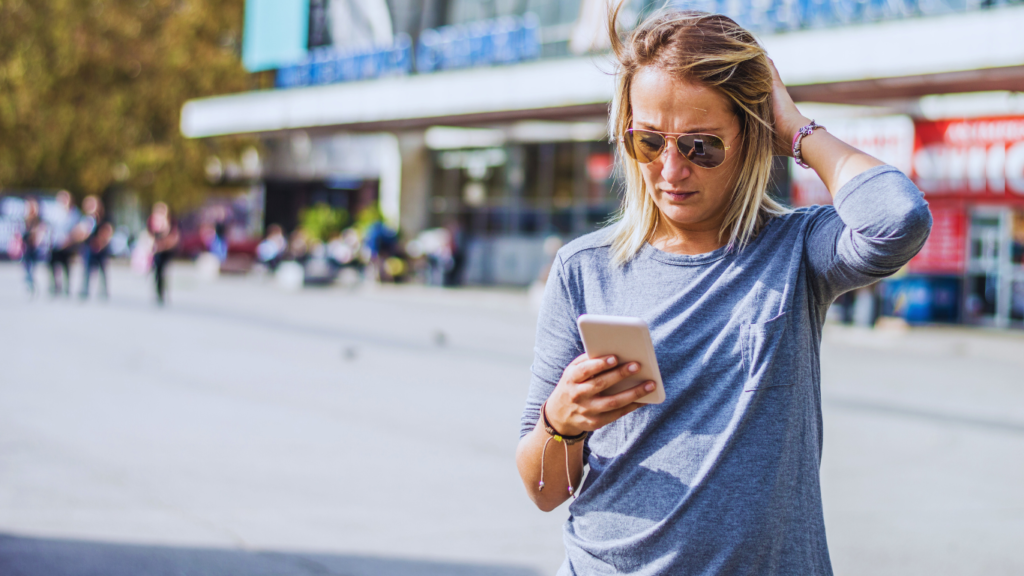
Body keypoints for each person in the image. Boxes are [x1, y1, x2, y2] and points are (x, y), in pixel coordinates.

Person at [515, 8, 932, 576]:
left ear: (751, 139)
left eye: (701, 146)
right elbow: (543, 488)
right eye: (647, 142)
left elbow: (897, 219)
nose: (670, 169)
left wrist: (795, 128)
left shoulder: (797, 250)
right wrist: (561, 420)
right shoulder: (584, 269)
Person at [76, 195, 113, 299]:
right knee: (86, 269)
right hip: (89, 247)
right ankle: (84, 289)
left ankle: (103, 291)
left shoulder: (105, 218)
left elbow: (108, 232)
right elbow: (81, 233)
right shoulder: (87, 219)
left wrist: (101, 242)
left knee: (102, 270)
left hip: (101, 247)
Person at [48, 190, 80, 296]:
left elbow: (77, 228)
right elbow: (49, 227)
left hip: (68, 243)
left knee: (66, 266)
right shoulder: (54, 211)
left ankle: (67, 287)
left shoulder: (75, 212)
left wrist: (71, 239)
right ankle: (54, 286)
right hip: (55, 243)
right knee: (53, 265)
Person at [148, 202, 179, 305]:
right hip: (157, 250)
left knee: (164, 272)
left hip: (166, 250)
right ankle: (158, 292)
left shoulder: (171, 222)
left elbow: (174, 236)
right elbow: (150, 235)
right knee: (157, 272)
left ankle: (163, 293)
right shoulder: (153, 222)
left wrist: (165, 244)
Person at [19, 198, 46, 294]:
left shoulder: (39, 220)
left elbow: (42, 233)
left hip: (35, 247)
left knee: (33, 266)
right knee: (26, 265)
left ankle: (32, 281)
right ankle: (28, 281)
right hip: (26, 247)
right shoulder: (25, 220)